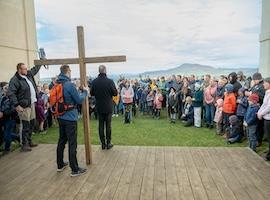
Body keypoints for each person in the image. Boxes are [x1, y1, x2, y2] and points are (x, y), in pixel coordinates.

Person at [56, 65, 88, 177]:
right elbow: (79, 100)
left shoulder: (57, 84)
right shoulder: (69, 85)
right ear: (68, 71)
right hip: (70, 118)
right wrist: (85, 92)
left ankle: (60, 165)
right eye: (70, 71)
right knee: (72, 143)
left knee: (61, 140)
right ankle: (74, 169)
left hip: (60, 117)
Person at [8, 63, 41, 151]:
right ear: (19, 70)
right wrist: (16, 105)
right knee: (25, 125)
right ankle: (24, 144)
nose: (27, 70)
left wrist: (41, 62)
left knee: (32, 123)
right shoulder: (15, 80)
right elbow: (11, 93)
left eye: (26, 69)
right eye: (24, 69)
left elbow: (35, 69)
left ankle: (29, 141)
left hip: (32, 103)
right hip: (24, 106)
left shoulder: (28, 75)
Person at [91, 65, 117, 150]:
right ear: (105, 71)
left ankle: (102, 144)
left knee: (101, 126)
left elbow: (91, 93)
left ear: (99, 71)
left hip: (99, 106)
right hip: (108, 106)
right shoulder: (110, 81)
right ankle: (108, 143)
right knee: (108, 126)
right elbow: (115, 93)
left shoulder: (94, 82)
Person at [0, 84, 20, 153]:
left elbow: (13, 110)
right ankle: (18, 137)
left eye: (7, 88)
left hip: (10, 119)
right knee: (4, 133)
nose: (5, 90)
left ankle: (7, 149)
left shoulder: (13, 98)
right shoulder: (2, 98)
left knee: (6, 135)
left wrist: (3, 113)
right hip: (3, 119)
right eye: (4, 88)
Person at [257, 77, 270, 161]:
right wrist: (259, 112)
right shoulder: (267, 92)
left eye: (265, 83)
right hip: (266, 117)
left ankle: (269, 156)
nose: (264, 84)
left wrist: (261, 113)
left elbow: (269, 107)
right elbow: (264, 105)